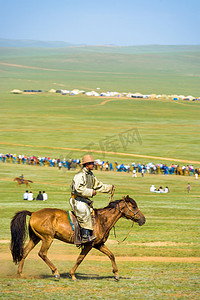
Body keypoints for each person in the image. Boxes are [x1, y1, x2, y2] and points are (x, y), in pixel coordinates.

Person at [70, 154, 114, 243]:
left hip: (84, 200)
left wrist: (110, 188)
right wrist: (91, 192)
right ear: (87, 164)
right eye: (92, 163)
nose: (94, 165)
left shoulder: (91, 175)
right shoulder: (80, 176)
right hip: (77, 200)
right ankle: (85, 236)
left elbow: (98, 185)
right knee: (85, 212)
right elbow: (78, 189)